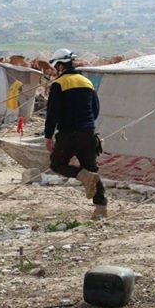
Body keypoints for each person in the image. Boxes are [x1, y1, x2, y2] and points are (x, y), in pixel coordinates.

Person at [44, 48, 108, 219]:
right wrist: (87, 124)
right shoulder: (86, 82)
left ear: (59, 65)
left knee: (57, 164)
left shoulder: (59, 84)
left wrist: (48, 136)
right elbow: (95, 109)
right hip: (88, 132)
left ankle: (83, 176)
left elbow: (52, 113)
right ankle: (101, 208)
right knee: (92, 169)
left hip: (68, 133)